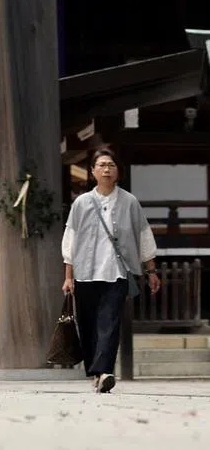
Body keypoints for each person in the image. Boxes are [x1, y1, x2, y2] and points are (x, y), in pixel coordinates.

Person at [62, 145, 161, 394]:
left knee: (110, 322)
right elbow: (70, 240)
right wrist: (68, 276)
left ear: (118, 171)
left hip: (117, 271)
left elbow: (144, 237)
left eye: (111, 165)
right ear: (92, 171)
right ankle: (96, 371)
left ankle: (105, 370)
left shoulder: (130, 202)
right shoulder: (82, 203)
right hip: (85, 272)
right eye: (102, 165)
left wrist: (151, 270)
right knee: (87, 324)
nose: (107, 169)